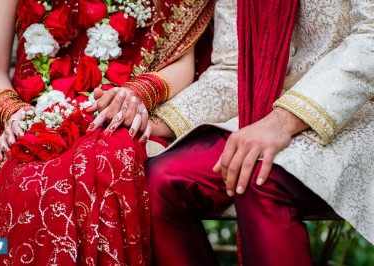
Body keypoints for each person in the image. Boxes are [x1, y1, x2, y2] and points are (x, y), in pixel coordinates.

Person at [0, 0, 216, 264]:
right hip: (32, 118)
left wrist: (136, 94)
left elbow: (182, 61)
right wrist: (12, 111)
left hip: (118, 117)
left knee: (108, 167)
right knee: (24, 182)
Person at [144, 0, 374, 265]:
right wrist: (156, 122)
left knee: (260, 176)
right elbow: (232, 70)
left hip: (354, 110)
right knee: (162, 180)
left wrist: (283, 121)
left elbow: (370, 36)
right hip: (262, 114)